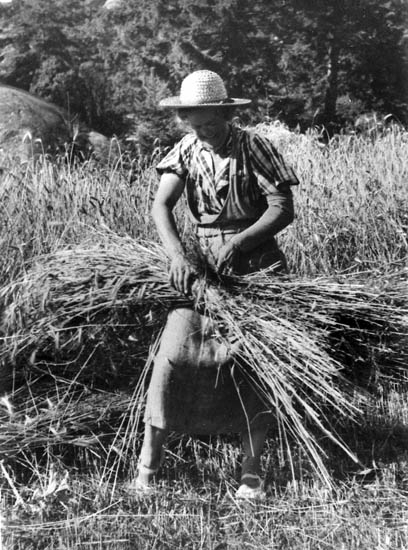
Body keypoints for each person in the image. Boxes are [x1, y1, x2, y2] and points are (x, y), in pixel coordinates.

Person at [128, 70, 299, 499]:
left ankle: (251, 472)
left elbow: (283, 207)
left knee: (252, 363)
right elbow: (162, 204)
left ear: (226, 114)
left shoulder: (254, 146)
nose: (204, 132)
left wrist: (241, 242)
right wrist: (177, 256)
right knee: (173, 354)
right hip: (199, 266)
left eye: (211, 123)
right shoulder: (187, 148)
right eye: (195, 124)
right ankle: (148, 467)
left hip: (255, 265)